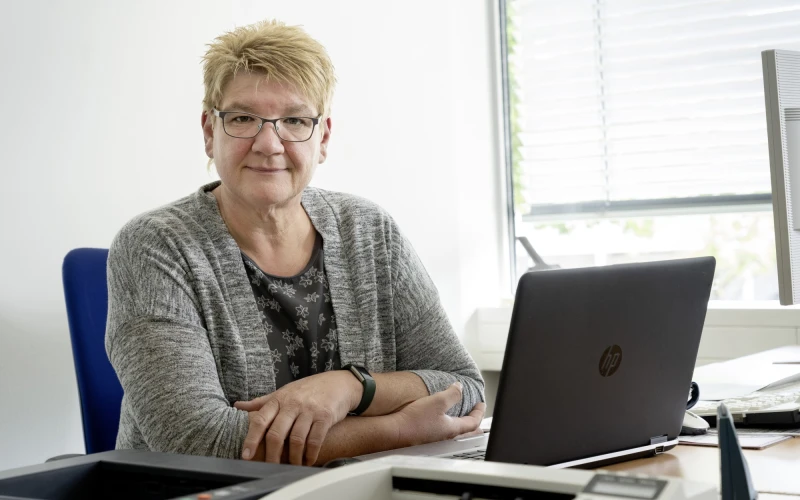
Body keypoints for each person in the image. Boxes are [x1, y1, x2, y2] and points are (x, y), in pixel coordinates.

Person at [105, 19, 485, 467]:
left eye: (294, 120)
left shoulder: (370, 232)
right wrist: (397, 430)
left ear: (322, 137)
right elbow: (198, 441)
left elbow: (462, 387)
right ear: (210, 131)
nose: (269, 143)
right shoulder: (154, 247)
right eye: (243, 118)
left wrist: (348, 387)